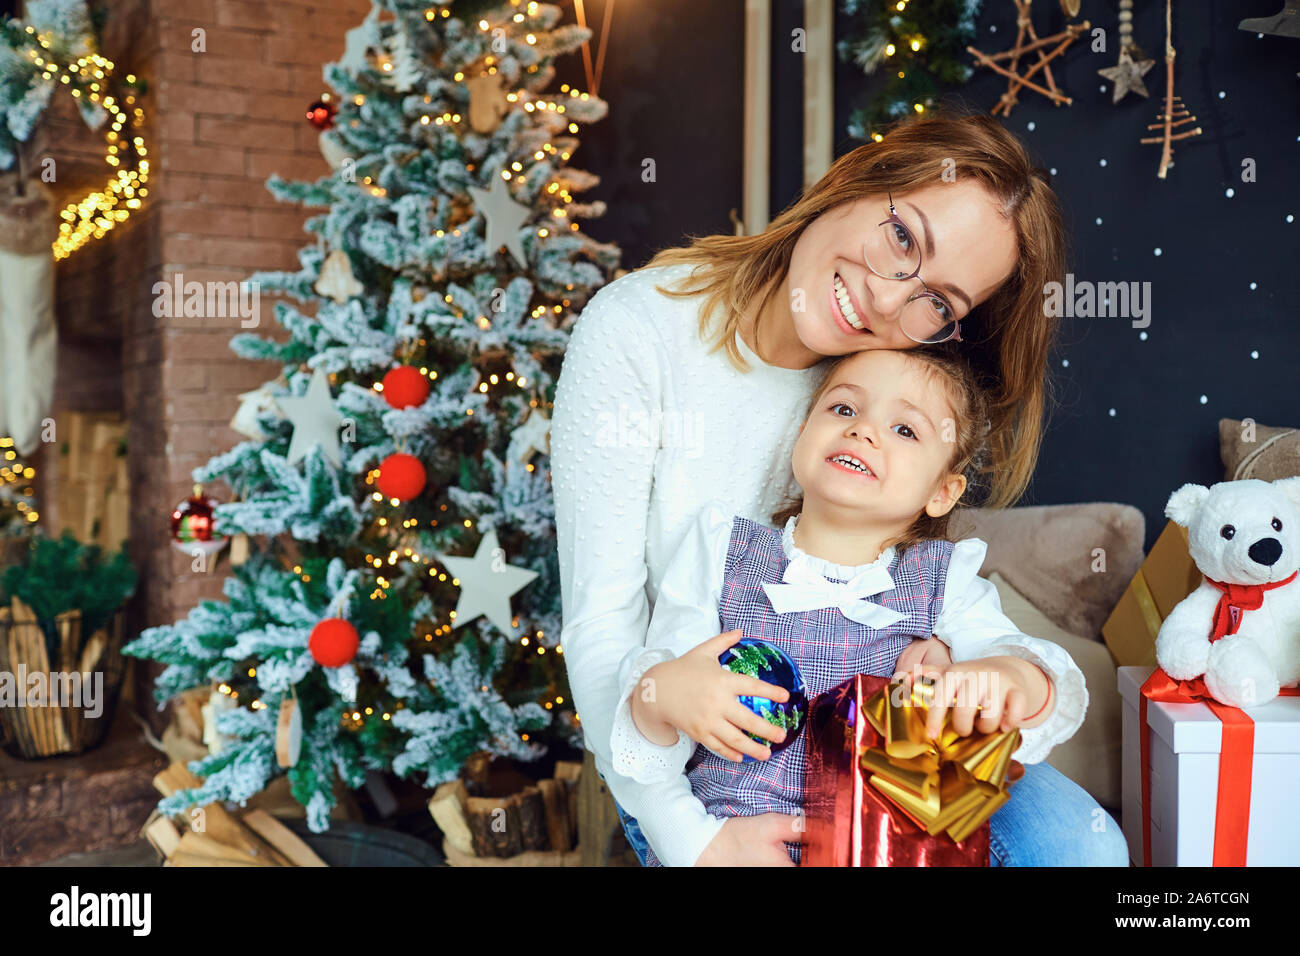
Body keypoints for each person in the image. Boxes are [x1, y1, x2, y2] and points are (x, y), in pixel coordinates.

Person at [551, 108, 1129, 866]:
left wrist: (976, 671)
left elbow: (960, 619)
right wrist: (694, 839)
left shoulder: (893, 376)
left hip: (897, 765)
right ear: (859, 177)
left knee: (1077, 850)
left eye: (939, 301)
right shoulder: (639, 332)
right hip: (712, 772)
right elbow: (603, 632)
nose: (890, 301)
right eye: (902, 237)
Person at [608, 347, 1084, 866]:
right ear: (801, 434)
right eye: (843, 409)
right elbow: (654, 693)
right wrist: (664, 697)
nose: (863, 431)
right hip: (734, 843)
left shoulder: (943, 583)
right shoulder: (723, 551)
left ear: (943, 492)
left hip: (880, 850)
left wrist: (1007, 676)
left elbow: (1033, 673)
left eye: (905, 430)